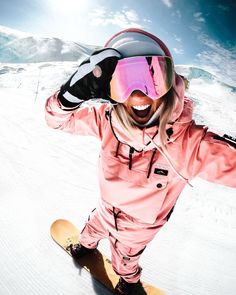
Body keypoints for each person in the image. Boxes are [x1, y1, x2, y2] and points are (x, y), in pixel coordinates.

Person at [45, 28, 236, 295]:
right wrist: (68, 98)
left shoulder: (190, 145)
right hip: (104, 209)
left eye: (151, 76)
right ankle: (85, 246)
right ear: (109, 88)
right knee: (90, 230)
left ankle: (128, 282)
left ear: (170, 81)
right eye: (124, 81)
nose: (139, 94)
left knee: (125, 258)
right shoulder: (105, 120)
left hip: (138, 228)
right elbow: (57, 121)